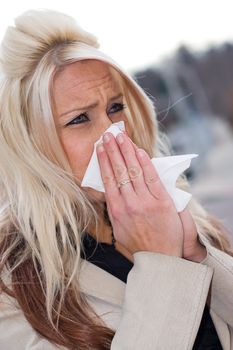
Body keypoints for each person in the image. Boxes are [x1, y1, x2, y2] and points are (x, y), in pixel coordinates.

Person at [0, 9, 232, 350]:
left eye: (115, 107)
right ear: (34, 147)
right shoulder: (15, 283)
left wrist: (194, 252)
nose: (114, 134)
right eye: (79, 118)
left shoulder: (187, 215)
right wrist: (160, 263)